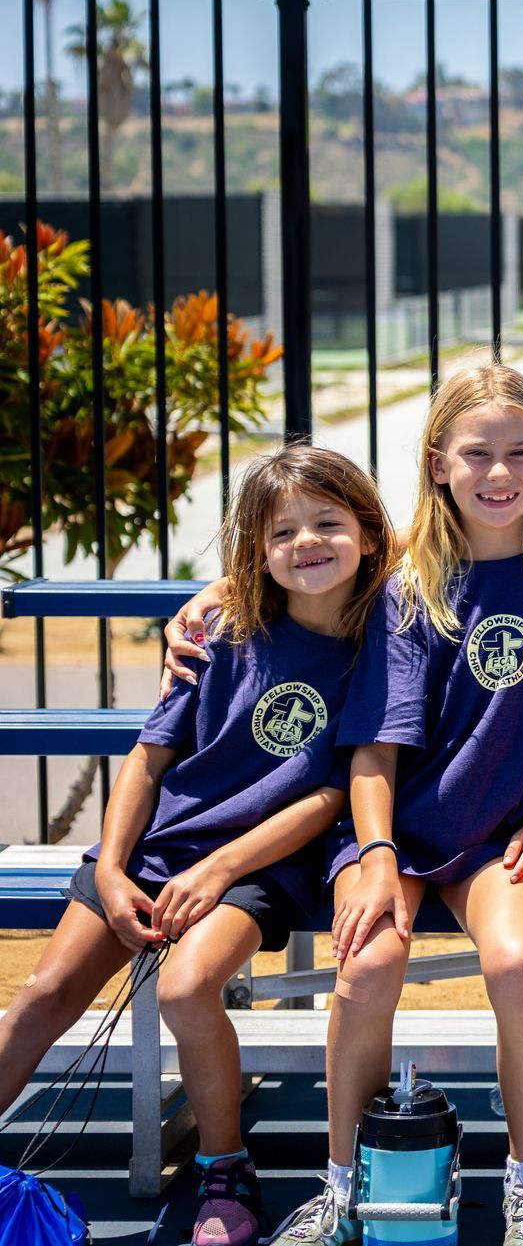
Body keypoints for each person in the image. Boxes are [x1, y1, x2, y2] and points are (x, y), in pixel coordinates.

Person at [266, 367, 523, 1246]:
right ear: (438, 463)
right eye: (477, 454)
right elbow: (374, 749)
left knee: (518, 963)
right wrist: (376, 856)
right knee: (366, 969)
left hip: (500, 839)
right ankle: (345, 1184)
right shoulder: (410, 587)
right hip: (396, 832)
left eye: (520, 452)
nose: (499, 473)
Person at [0, 446, 391, 1246]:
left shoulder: (381, 644)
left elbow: (328, 795)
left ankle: (225, 1167)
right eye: (282, 532)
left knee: (184, 989)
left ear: (368, 534)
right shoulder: (220, 632)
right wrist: (114, 869)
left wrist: (218, 871)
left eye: (327, 523)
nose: (306, 543)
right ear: (257, 549)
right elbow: (150, 759)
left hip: (261, 863)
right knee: (43, 995)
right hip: (155, 850)